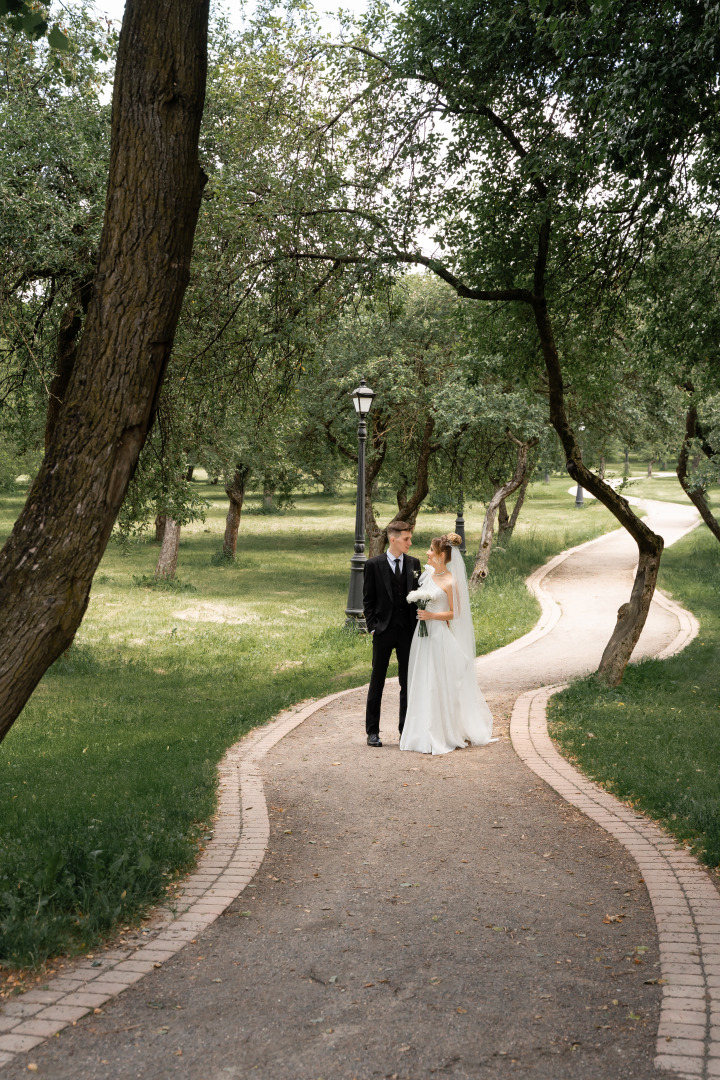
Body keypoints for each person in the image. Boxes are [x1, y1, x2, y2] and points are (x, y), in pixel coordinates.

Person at [400, 532, 494, 755]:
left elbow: (455, 613)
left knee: (436, 682)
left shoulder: (451, 581)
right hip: (422, 637)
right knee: (421, 679)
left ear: (442, 555)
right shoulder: (428, 574)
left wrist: (431, 616)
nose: (427, 553)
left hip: (438, 635)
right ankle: (418, 733)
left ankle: (439, 732)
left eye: (431, 550)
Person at [362, 521, 423, 747]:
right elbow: (368, 600)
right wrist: (373, 626)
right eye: (406, 539)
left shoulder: (414, 564)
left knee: (407, 683)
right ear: (393, 539)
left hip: (408, 632)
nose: (410, 542)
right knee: (377, 681)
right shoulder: (373, 565)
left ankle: (404, 731)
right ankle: (372, 731)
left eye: (410, 538)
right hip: (383, 632)